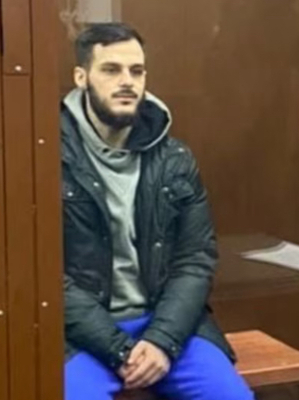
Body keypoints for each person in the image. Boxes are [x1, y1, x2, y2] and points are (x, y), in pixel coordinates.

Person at [62, 22, 254, 400]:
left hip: (167, 323)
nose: (127, 81)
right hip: (79, 333)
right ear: (81, 77)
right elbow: (42, 274)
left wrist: (162, 339)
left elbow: (195, 260)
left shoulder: (174, 159)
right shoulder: (47, 156)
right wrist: (118, 348)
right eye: (111, 69)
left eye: (137, 71)